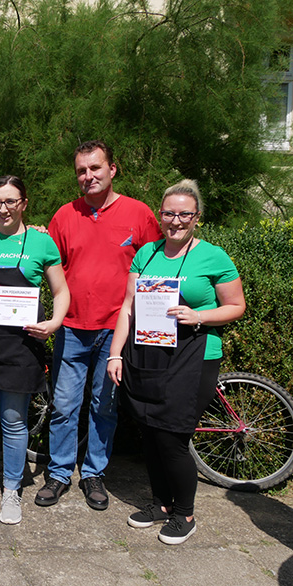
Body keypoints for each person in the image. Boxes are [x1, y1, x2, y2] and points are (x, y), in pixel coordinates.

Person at [108, 179, 245, 545]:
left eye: (184, 213)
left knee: (171, 437)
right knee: (150, 434)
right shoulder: (147, 254)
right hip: (146, 353)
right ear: (160, 215)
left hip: (194, 356)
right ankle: (160, 505)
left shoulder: (213, 256)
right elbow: (127, 309)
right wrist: (116, 353)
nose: (176, 220)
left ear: (196, 217)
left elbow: (236, 306)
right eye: (169, 213)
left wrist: (199, 315)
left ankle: (184, 513)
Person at [36, 140, 161, 511]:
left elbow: (157, 267)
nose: (88, 176)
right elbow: (47, 265)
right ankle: (58, 474)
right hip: (72, 327)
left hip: (116, 330)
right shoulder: (64, 216)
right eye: (81, 170)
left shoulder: (139, 214)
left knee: (104, 407)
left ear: (112, 170)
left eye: (95, 168)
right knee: (63, 405)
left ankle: (93, 474)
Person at [0, 176, 70, 524]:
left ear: (23, 203)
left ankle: (12, 490)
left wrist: (53, 323)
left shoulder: (41, 243)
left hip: (21, 347)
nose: (2, 209)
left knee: (15, 422)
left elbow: (61, 291)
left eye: (10, 201)